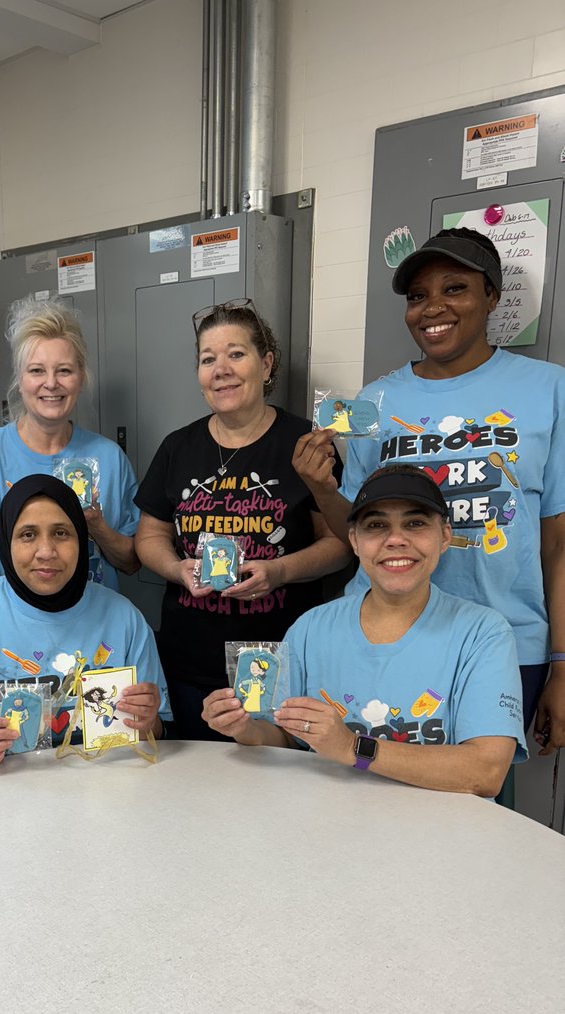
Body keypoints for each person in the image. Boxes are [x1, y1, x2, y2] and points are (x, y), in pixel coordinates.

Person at [294, 227, 565, 756]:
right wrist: (319, 486)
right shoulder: (377, 401)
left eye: (454, 288)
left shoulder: (549, 390)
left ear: (492, 295)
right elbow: (354, 525)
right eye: (418, 296)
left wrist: (562, 663)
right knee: (370, 787)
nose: (432, 308)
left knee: (475, 799)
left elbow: (558, 543)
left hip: (509, 637)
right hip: (385, 633)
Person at [202, 465, 525, 797]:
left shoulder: (484, 634)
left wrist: (353, 748)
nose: (396, 540)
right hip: (328, 824)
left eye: (415, 523)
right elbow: (286, 738)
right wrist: (244, 728)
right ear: (354, 540)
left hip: (438, 835)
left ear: (444, 536)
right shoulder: (311, 628)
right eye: (377, 525)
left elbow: (486, 772)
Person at [134, 298, 351, 739]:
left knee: (266, 792)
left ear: (266, 364)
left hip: (277, 665)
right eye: (207, 359)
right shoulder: (178, 447)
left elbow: (342, 544)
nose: (221, 369)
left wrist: (280, 571)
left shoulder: (303, 442)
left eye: (236, 354)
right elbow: (149, 536)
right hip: (186, 663)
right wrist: (176, 569)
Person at [0, 475, 169, 775]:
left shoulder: (123, 618)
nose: (46, 552)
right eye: (28, 535)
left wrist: (147, 720)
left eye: (61, 533)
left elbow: (157, 731)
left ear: (81, 539)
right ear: (6, 542)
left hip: (95, 792)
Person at [0, 298, 139, 591]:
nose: (51, 383)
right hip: (18, 631)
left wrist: (96, 526)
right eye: (37, 371)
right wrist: (31, 628)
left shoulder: (109, 458)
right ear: (20, 380)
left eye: (64, 370)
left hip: (94, 629)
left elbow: (130, 563)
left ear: (81, 378)